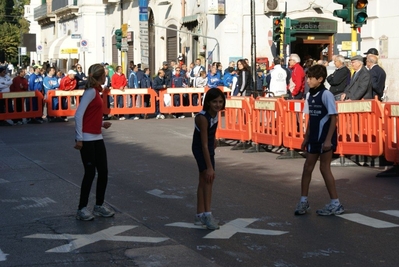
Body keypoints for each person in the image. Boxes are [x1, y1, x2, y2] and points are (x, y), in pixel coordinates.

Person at [294, 64, 344, 216]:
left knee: (324, 168)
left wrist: (328, 139)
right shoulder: (310, 95)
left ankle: (336, 203)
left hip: (325, 138)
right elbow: (311, 118)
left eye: (311, 78)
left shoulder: (326, 94)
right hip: (314, 137)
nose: (308, 81)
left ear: (320, 79)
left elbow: (334, 117)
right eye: (307, 77)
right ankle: (303, 201)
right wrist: (306, 137)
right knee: (307, 167)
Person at [74, 63, 115, 221]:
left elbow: (89, 115)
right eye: (105, 75)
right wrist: (79, 138)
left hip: (97, 136)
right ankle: (82, 208)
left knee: (103, 172)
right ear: (100, 77)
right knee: (90, 173)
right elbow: (79, 115)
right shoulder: (91, 92)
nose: (106, 77)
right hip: (88, 138)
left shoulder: (96, 92)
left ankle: (98, 205)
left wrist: (100, 124)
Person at [192, 88, 226, 230]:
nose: (217, 105)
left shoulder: (215, 114)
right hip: (201, 148)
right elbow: (204, 144)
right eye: (214, 102)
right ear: (208, 102)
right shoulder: (202, 117)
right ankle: (207, 214)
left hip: (207, 146)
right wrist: (210, 167)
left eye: (220, 101)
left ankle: (200, 214)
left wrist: (215, 139)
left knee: (203, 180)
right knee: (208, 179)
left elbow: (210, 136)